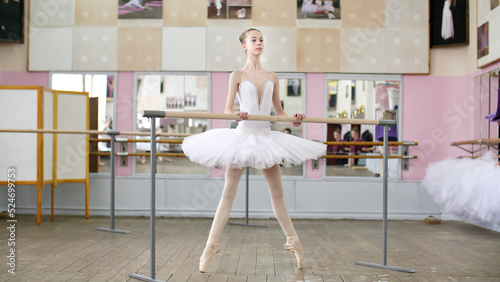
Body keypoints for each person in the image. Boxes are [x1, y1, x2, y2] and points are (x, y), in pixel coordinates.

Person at [181, 28, 326, 273]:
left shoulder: (272, 76)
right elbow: (227, 110)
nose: (258, 43)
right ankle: (210, 246)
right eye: (253, 40)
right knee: (228, 192)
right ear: (244, 46)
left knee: (277, 194)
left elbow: (279, 113)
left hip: (266, 139)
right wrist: (236, 114)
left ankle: (293, 241)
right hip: (242, 137)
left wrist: (295, 119)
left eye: (261, 40)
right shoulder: (237, 75)